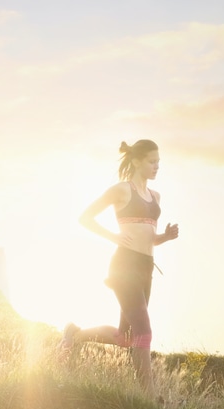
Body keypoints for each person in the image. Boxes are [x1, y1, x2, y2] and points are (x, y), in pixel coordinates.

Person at [61, 139, 179, 391]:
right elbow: (85, 217)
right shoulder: (122, 190)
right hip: (124, 267)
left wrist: (165, 237)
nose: (157, 166)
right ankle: (149, 398)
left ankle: (74, 335)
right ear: (137, 161)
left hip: (146, 267)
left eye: (159, 161)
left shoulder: (155, 196)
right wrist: (113, 236)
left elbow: (149, 238)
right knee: (144, 333)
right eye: (152, 161)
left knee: (124, 338)